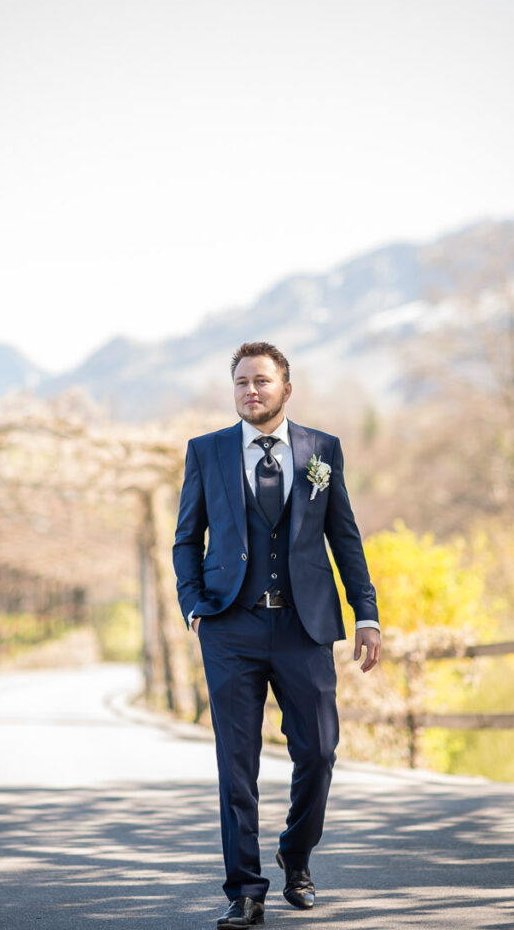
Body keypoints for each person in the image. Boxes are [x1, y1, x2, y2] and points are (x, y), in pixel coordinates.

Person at [172, 341, 381, 928]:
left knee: (318, 751)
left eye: (261, 381)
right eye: (240, 382)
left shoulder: (322, 451)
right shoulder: (206, 452)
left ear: (286, 388)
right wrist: (193, 603)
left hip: (303, 625)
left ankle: (296, 855)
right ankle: (244, 889)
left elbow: (346, 539)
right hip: (231, 625)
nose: (250, 391)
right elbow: (186, 538)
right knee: (236, 764)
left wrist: (365, 612)